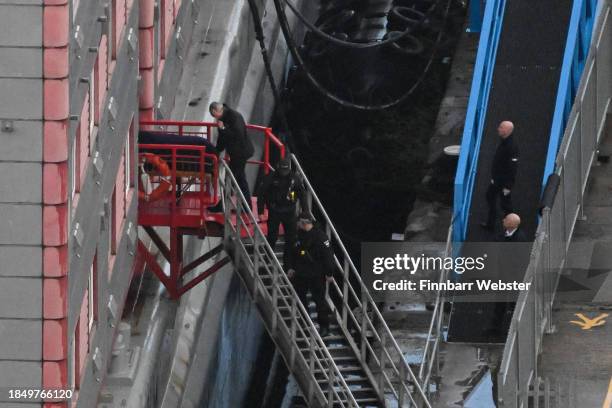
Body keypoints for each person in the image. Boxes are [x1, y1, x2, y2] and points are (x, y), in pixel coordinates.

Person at [286, 213, 335, 337]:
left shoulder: (320, 237)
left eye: (299, 223)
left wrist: (329, 273)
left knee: (319, 301)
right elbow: (290, 252)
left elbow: (328, 257)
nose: (297, 225)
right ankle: (305, 324)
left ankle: (324, 327)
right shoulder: (297, 236)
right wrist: (290, 267)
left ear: (304, 223)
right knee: (300, 300)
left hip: (316, 274)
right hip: (301, 273)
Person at [257, 157, 306, 264]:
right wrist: (260, 211)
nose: (284, 173)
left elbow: (302, 195)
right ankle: (268, 258)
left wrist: (305, 212)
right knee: (272, 236)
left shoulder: (294, 178)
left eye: (286, 171)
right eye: (282, 171)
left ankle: (288, 261)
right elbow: (261, 194)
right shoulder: (270, 177)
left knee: (291, 238)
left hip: (289, 211)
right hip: (275, 210)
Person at [209, 102, 255, 200]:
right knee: (238, 178)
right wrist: (217, 150)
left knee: (233, 178)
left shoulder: (232, 117)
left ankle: (226, 204)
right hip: (238, 153)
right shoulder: (225, 117)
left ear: (216, 111)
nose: (214, 118)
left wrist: (222, 129)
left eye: (213, 114)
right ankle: (243, 204)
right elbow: (222, 139)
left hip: (241, 153)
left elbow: (237, 135)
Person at [482, 121, 519, 230]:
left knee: (506, 205)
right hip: (497, 180)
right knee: (491, 197)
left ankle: (512, 225)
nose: (498, 129)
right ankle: (491, 223)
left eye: (501, 127)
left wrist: (508, 186)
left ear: (507, 131)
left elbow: (513, 168)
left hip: (503, 182)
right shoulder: (504, 142)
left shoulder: (511, 146)